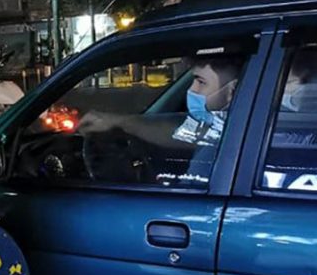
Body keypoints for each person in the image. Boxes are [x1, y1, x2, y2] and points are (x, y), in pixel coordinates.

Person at [81, 56, 243, 184]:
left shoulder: (221, 148)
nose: (192, 89)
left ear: (232, 91)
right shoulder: (231, 128)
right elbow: (178, 132)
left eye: (201, 82)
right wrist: (120, 122)